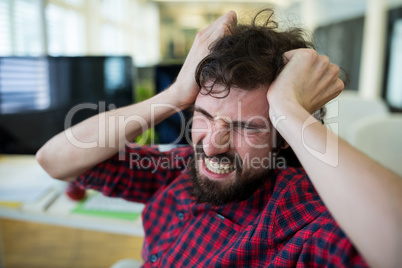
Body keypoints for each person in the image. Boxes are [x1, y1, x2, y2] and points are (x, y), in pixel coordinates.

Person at [37, 9, 402, 267]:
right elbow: (54, 159)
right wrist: (175, 94)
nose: (212, 145)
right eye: (204, 117)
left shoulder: (292, 212)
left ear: (285, 135)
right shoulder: (179, 169)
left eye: (247, 126)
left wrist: (290, 110)